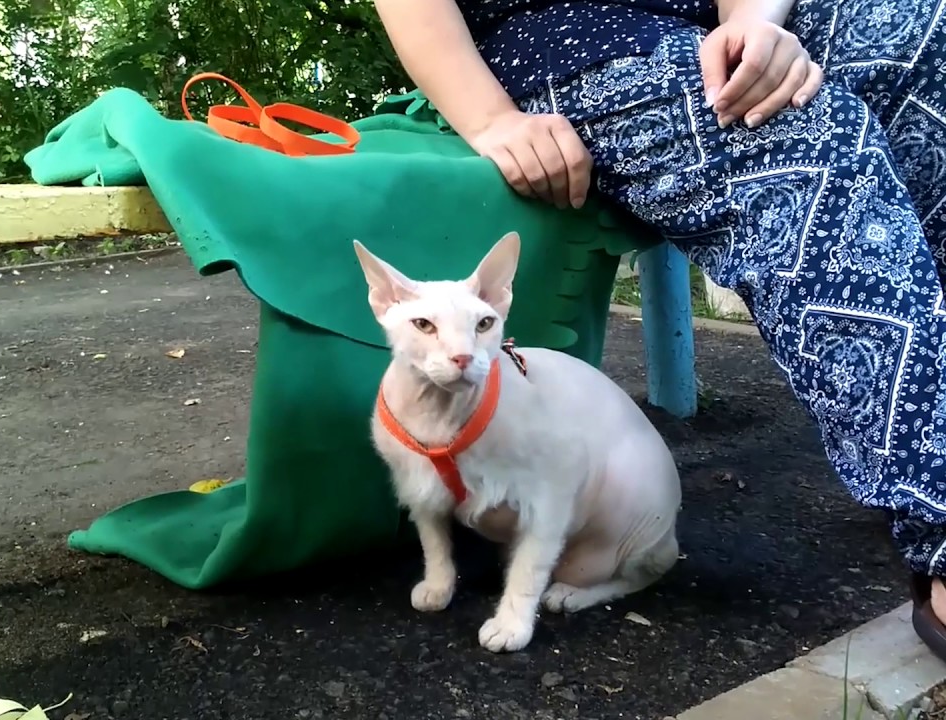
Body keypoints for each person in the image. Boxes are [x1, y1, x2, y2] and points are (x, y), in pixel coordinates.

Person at [370, 0, 946, 657]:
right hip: (566, 34)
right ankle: (935, 505)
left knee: (926, 35)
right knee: (803, 128)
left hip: (713, 15)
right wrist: (489, 117)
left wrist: (752, 19)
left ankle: (915, 453)